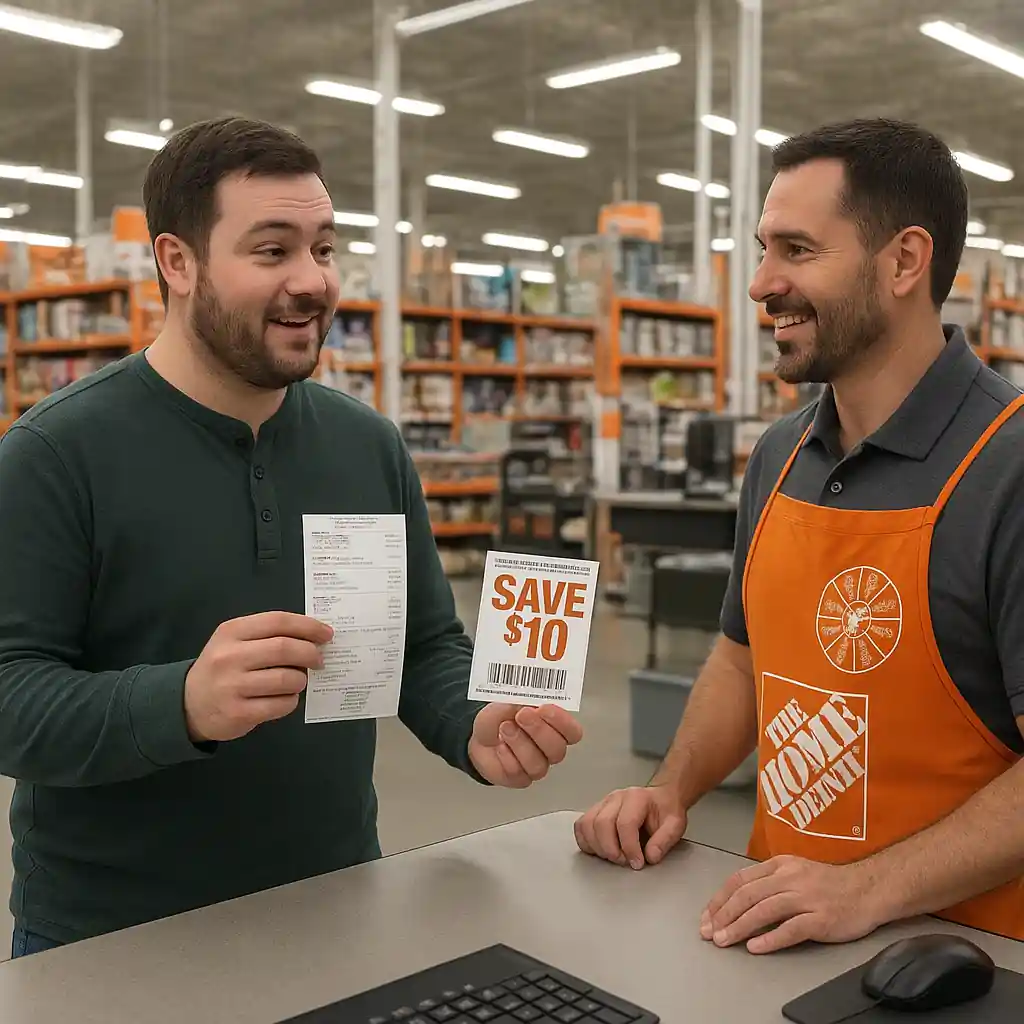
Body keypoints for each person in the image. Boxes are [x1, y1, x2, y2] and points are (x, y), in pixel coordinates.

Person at [0, 116, 583, 958]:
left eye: (324, 248)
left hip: (336, 906)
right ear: (178, 263)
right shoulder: (55, 454)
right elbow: (10, 693)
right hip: (111, 939)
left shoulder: (366, 445)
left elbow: (420, 645)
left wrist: (472, 722)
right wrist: (181, 703)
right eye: (272, 251)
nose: (312, 282)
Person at [575, 118, 1024, 952]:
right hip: (774, 939)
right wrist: (670, 790)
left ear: (904, 261)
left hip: (971, 965)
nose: (760, 284)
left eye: (798, 251)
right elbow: (742, 660)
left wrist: (865, 889)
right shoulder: (780, 456)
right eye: (763, 250)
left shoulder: (1010, 468)